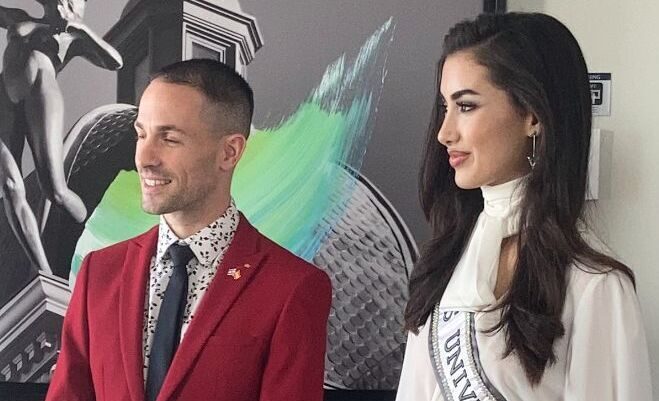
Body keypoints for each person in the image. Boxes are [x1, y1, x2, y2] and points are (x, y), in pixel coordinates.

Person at [396, 12, 651, 401]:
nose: (445, 133)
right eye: (445, 107)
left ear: (532, 115)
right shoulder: (445, 263)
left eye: (466, 106)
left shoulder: (593, 285)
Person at [46, 59, 332, 401]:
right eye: (141, 135)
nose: (144, 158)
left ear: (229, 152)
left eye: (169, 139)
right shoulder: (99, 272)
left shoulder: (291, 287)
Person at [0, 0, 123, 272]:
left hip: (40, 93)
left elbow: (115, 61)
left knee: (55, 191)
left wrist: (81, 30)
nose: (65, 5)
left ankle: (99, 229)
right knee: (10, 186)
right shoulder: (19, 18)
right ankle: (41, 270)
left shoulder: (72, 39)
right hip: (4, 100)